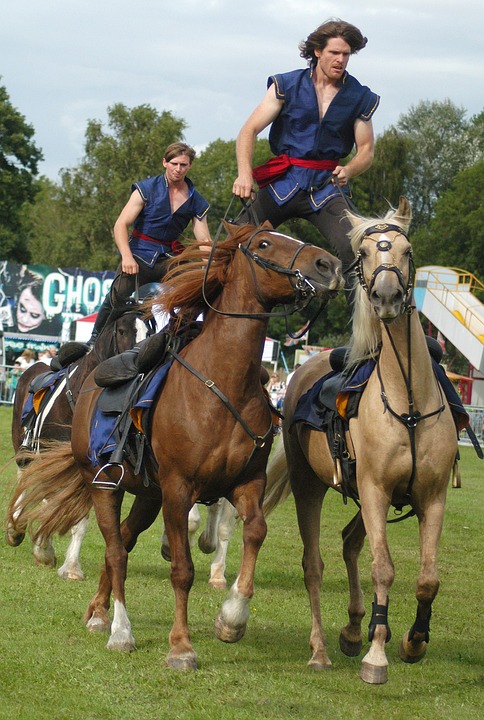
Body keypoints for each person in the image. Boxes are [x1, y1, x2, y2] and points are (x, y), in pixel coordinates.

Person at [232, 18, 380, 295]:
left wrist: (350, 170)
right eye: (334, 53)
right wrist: (244, 174)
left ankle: (362, 331)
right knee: (232, 243)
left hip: (326, 188)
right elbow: (249, 131)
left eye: (346, 54)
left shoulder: (360, 97)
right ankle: (194, 320)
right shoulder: (286, 84)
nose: (340, 60)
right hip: (282, 184)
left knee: (358, 249)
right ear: (317, 51)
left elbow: (366, 151)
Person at [88, 142, 213, 345]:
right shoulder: (145, 189)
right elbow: (121, 225)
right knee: (117, 294)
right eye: (174, 163)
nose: (178, 169)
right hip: (139, 254)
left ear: (189, 166)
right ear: (165, 162)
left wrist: (211, 269)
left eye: (183, 164)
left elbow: (204, 241)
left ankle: (177, 338)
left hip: (169, 258)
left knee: (196, 291)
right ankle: (94, 340)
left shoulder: (197, 200)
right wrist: (127, 256)